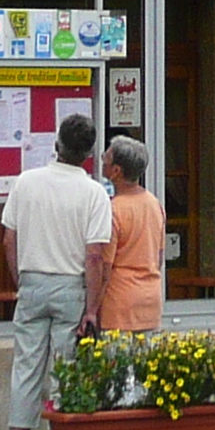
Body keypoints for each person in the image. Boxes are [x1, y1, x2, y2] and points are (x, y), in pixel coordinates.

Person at [0, 112, 111, 430]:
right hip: (70, 284)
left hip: (32, 282)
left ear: (57, 144)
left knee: (26, 368)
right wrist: (91, 308)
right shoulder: (94, 193)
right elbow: (94, 255)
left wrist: (21, 280)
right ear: (89, 154)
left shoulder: (26, 182)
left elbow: (9, 239)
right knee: (64, 370)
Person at [95, 134, 167, 331]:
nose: (102, 159)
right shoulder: (154, 204)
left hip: (119, 304)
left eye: (106, 157)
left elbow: (105, 268)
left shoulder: (113, 210)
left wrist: (92, 309)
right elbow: (159, 257)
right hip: (150, 301)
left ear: (116, 171)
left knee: (116, 361)